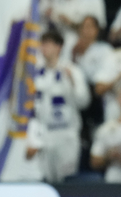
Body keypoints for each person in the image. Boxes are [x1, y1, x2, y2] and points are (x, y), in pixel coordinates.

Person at [26, 30, 90, 183]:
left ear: (59, 47)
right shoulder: (35, 73)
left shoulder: (72, 70)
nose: (44, 48)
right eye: (43, 44)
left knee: (66, 180)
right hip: (42, 133)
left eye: (48, 44)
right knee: (43, 178)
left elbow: (84, 101)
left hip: (65, 133)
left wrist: (72, 82)